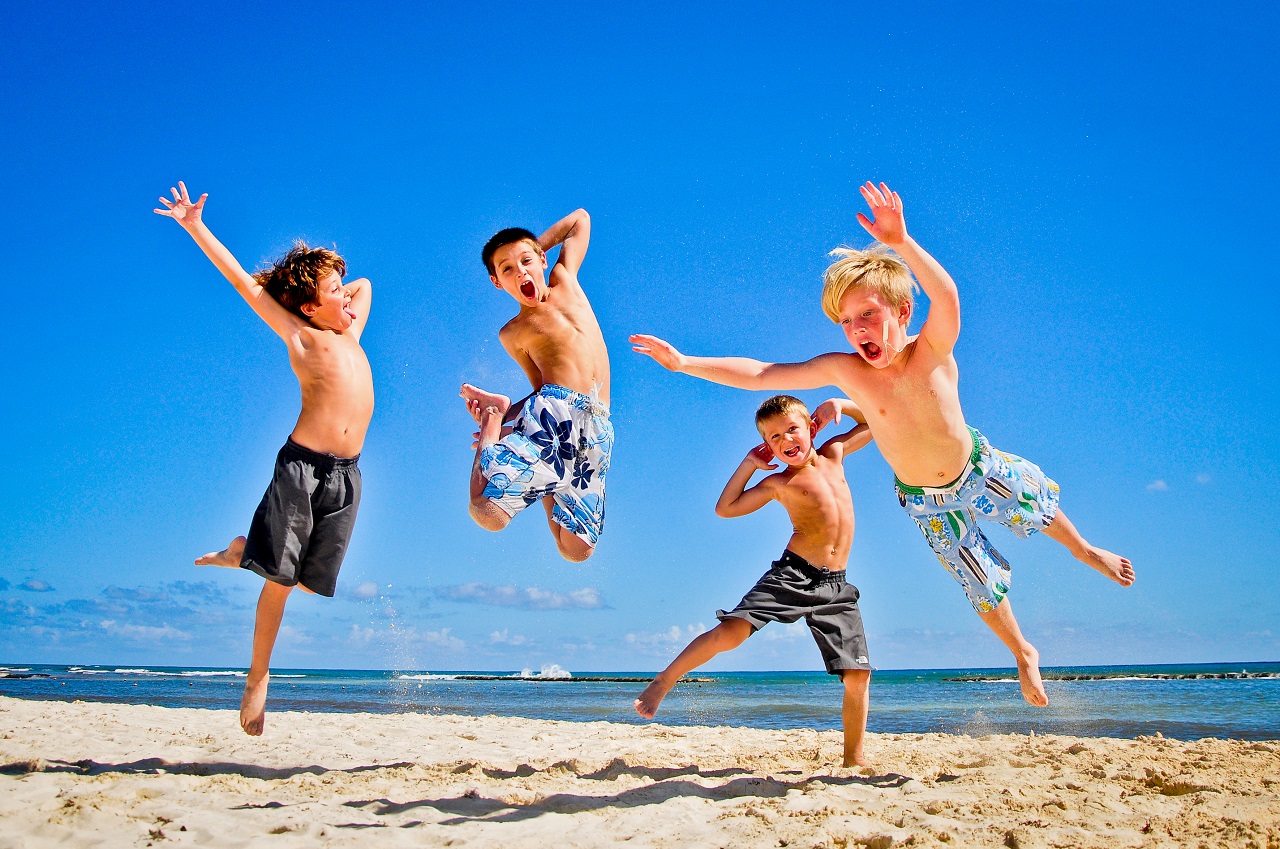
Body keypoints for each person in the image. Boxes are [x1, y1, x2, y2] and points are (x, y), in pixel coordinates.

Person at [630, 181, 1134, 707]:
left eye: (867, 315)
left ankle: (1086, 550)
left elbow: (949, 296)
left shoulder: (932, 349)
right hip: (927, 500)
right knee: (979, 582)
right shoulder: (847, 371)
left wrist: (902, 242)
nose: (856, 330)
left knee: (1038, 505)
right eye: (846, 322)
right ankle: (1023, 652)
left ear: (902, 311)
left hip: (978, 468)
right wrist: (686, 363)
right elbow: (761, 373)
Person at [155, 182, 374, 735]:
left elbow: (365, 286)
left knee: (308, 583)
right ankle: (257, 677)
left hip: (347, 479)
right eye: (334, 291)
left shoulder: (352, 334)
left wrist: (334, 285)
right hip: (302, 469)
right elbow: (240, 282)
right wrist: (195, 225)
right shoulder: (302, 336)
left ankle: (243, 551)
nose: (347, 296)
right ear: (306, 306)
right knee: (278, 582)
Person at [634, 395, 875, 767]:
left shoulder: (834, 454)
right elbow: (725, 508)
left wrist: (841, 404)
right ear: (768, 446)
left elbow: (875, 421)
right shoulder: (779, 482)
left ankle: (853, 761)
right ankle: (664, 681)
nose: (786, 441)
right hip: (792, 575)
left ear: (811, 427)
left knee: (858, 676)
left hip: (836, 587)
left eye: (792, 430)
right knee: (731, 633)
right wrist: (749, 464)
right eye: (774, 438)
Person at [461, 209, 613, 561]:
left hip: (598, 426)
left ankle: (548, 484)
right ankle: (493, 417)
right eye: (507, 270)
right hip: (555, 413)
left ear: (543, 260)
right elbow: (541, 388)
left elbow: (581, 220)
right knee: (487, 511)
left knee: (576, 550)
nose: (521, 273)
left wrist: (527, 250)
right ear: (497, 282)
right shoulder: (513, 332)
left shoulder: (565, 280)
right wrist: (504, 418)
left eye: (527, 262)